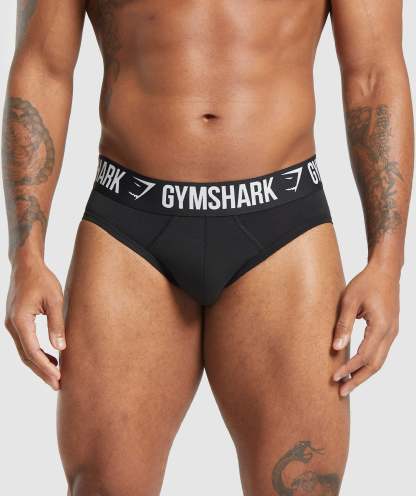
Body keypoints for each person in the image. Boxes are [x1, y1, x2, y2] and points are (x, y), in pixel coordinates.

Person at [2, 1, 413, 495]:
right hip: (129, 226)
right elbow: (42, 68)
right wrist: (26, 257)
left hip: (282, 226)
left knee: (304, 488)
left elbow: (374, 73)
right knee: (104, 486)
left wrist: (386, 261)